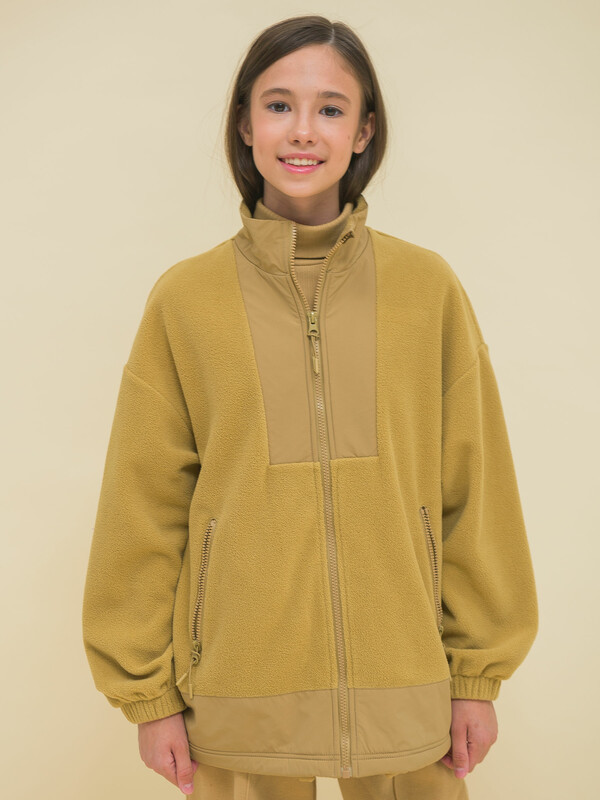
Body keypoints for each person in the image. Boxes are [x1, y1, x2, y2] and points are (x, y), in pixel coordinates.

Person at [81, 14, 539, 800]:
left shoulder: (426, 290)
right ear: (244, 123)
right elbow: (143, 505)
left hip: (405, 681)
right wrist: (148, 697)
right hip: (239, 688)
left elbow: (476, 488)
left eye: (330, 108)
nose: (302, 130)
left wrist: (477, 677)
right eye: (278, 104)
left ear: (364, 130)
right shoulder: (185, 301)